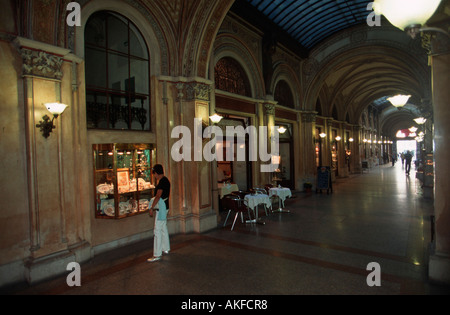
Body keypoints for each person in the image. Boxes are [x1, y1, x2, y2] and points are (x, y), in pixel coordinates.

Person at [147, 164, 171, 262]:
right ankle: (166, 248)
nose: (154, 176)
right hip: (165, 206)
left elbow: (158, 196)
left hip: (161, 208)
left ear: (156, 173)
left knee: (157, 230)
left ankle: (157, 254)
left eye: (154, 174)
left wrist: (151, 207)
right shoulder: (166, 180)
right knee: (163, 228)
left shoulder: (161, 182)